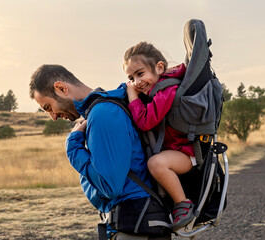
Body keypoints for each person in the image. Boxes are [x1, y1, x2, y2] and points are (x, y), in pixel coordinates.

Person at [29, 64, 171, 239]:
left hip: (136, 225)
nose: (53, 116)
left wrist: (73, 149)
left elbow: (109, 187)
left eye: (48, 107)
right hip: (134, 224)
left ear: (61, 88)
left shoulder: (103, 114)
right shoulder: (101, 111)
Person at [123, 42, 196, 231]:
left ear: (159, 67)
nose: (136, 82)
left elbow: (146, 121)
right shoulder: (159, 89)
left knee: (156, 163)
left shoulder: (166, 90)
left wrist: (132, 97)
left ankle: (183, 204)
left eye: (140, 74)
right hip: (176, 150)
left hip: (186, 154)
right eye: (131, 78)